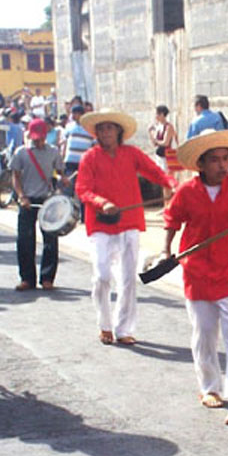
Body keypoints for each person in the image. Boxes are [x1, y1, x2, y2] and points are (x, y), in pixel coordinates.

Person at [161, 129, 228, 425]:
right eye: (215, 160)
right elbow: (172, 219)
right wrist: (166, 250)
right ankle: (209, 387)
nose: (222, 165)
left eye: (225, 159)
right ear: (201, 164)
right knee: (204, 334)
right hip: (196, 272)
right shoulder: (187, 191)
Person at [75, 108, 176, 345]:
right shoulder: (89, 157)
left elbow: (155, 171)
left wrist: (171, 183)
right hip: (101, 224)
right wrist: (102, 203)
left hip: (129, 222)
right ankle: (104, 325)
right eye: (101, 129)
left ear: (118, 131)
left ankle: (123, 329)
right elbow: (82, 189)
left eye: (110, 128)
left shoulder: (132, 153)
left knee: (128, 279)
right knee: (102, 276)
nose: (105, 132)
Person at [11, 118, 69, 291]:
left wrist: (63, 179)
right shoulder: (21, 152)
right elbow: (15, 177)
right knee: (25, 239)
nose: (39, 141)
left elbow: (59, 171)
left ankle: (47, 278)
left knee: (51, 240)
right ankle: (27, 278)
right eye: (36, 138)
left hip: (47, 199)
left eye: (41, 138)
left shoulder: (53, 152)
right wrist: (21, 196)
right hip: (27, 200)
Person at [61, 103, 94, 196]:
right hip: (70, 162)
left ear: (81, 114)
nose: (73, 115)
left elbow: (93, 145)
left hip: (83, 163)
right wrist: (62, 158)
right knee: (68, 187)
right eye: (72, 113)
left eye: (75, 113)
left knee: (83, 188)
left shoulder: (89, 128)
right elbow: (65, 143)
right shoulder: (69, 126)